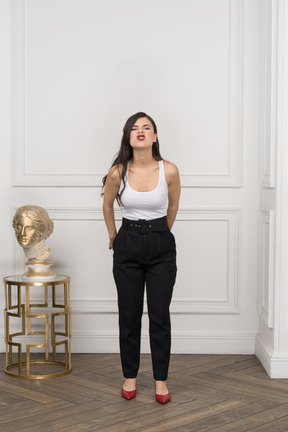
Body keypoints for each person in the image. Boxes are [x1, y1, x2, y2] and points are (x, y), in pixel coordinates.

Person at [102, 112, 180, 403]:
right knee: (129, 316)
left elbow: (172, 207)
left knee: (160, 317)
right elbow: (107, 206)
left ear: (155, 136)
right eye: (135, 128)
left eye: (147, 128)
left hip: (161, 247)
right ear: (129, 136)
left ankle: (161, 380)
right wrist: (113, 234)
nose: (141, 132)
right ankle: (130, 376)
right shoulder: (117, 172)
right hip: (127, 246)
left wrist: (159, 234)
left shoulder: (169, 170)